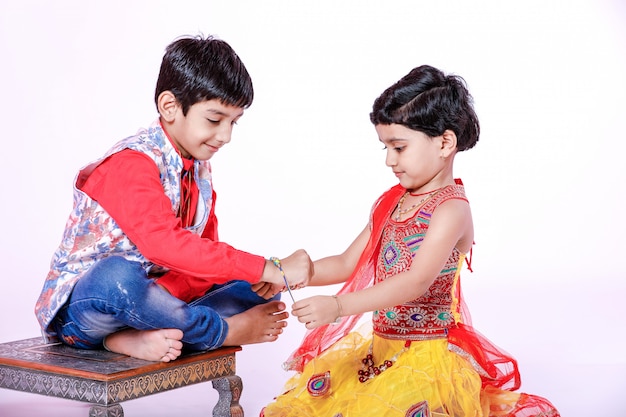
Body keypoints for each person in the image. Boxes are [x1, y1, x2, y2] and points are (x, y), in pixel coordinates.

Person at [261, 65, 559, 416]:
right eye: (385, 148)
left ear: (445, 142)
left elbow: (415, 281)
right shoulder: (394, 201)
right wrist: (294, 272)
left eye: (399, 147)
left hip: (427, 360)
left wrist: (339, 307)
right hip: (379, 352)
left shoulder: (451, 209)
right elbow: (346, 263)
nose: (389, 160)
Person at [34, 35, 312, 363]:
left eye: (233, 122)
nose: (226, 135)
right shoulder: (132, 162)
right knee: (117, 276)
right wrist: (266, 267)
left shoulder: (198, 168)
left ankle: (138, 335)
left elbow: (203, 256)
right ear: (169, 107)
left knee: (259, 289)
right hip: (90, 307)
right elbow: (164, 246)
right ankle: (217, 331)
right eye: (214, 119)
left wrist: (266, 273)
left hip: (151, 301)